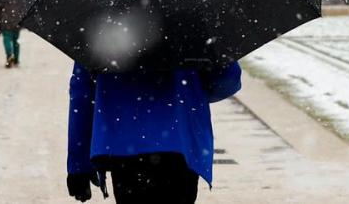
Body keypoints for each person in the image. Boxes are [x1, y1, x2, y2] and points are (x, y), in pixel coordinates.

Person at [66, 62, 242, 203]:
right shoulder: (191, 22)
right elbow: (228, 77)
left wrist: (78, 164)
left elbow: (82, 91)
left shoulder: (100, 21)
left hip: (125, 144)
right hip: (180, 143)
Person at [0, 0, 27, 68]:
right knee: (16, 40)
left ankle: (10, 55)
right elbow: (25, 7)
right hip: (17, 21)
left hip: (6, 20)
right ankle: (16, 59)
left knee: (7, 38)